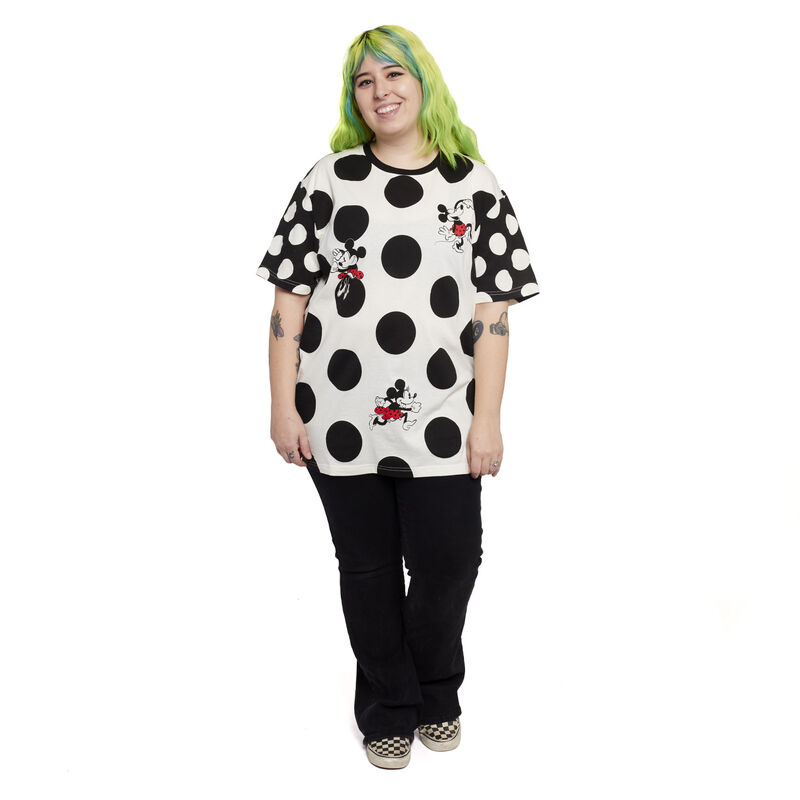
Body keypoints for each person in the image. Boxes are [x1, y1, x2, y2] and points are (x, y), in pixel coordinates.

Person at [256, 25, 539, 769]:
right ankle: (386, 705)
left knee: (451, 561)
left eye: (393, 74)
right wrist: (283, 406)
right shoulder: (328, 180)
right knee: (368, 568)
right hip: (337, 416)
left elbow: (493, 315)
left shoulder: (475, 186)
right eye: (364, 80)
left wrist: (488, 420)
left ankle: (435, 690)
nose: (380, 91)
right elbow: (288, 303)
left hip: (444, 419)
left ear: (423, 82)